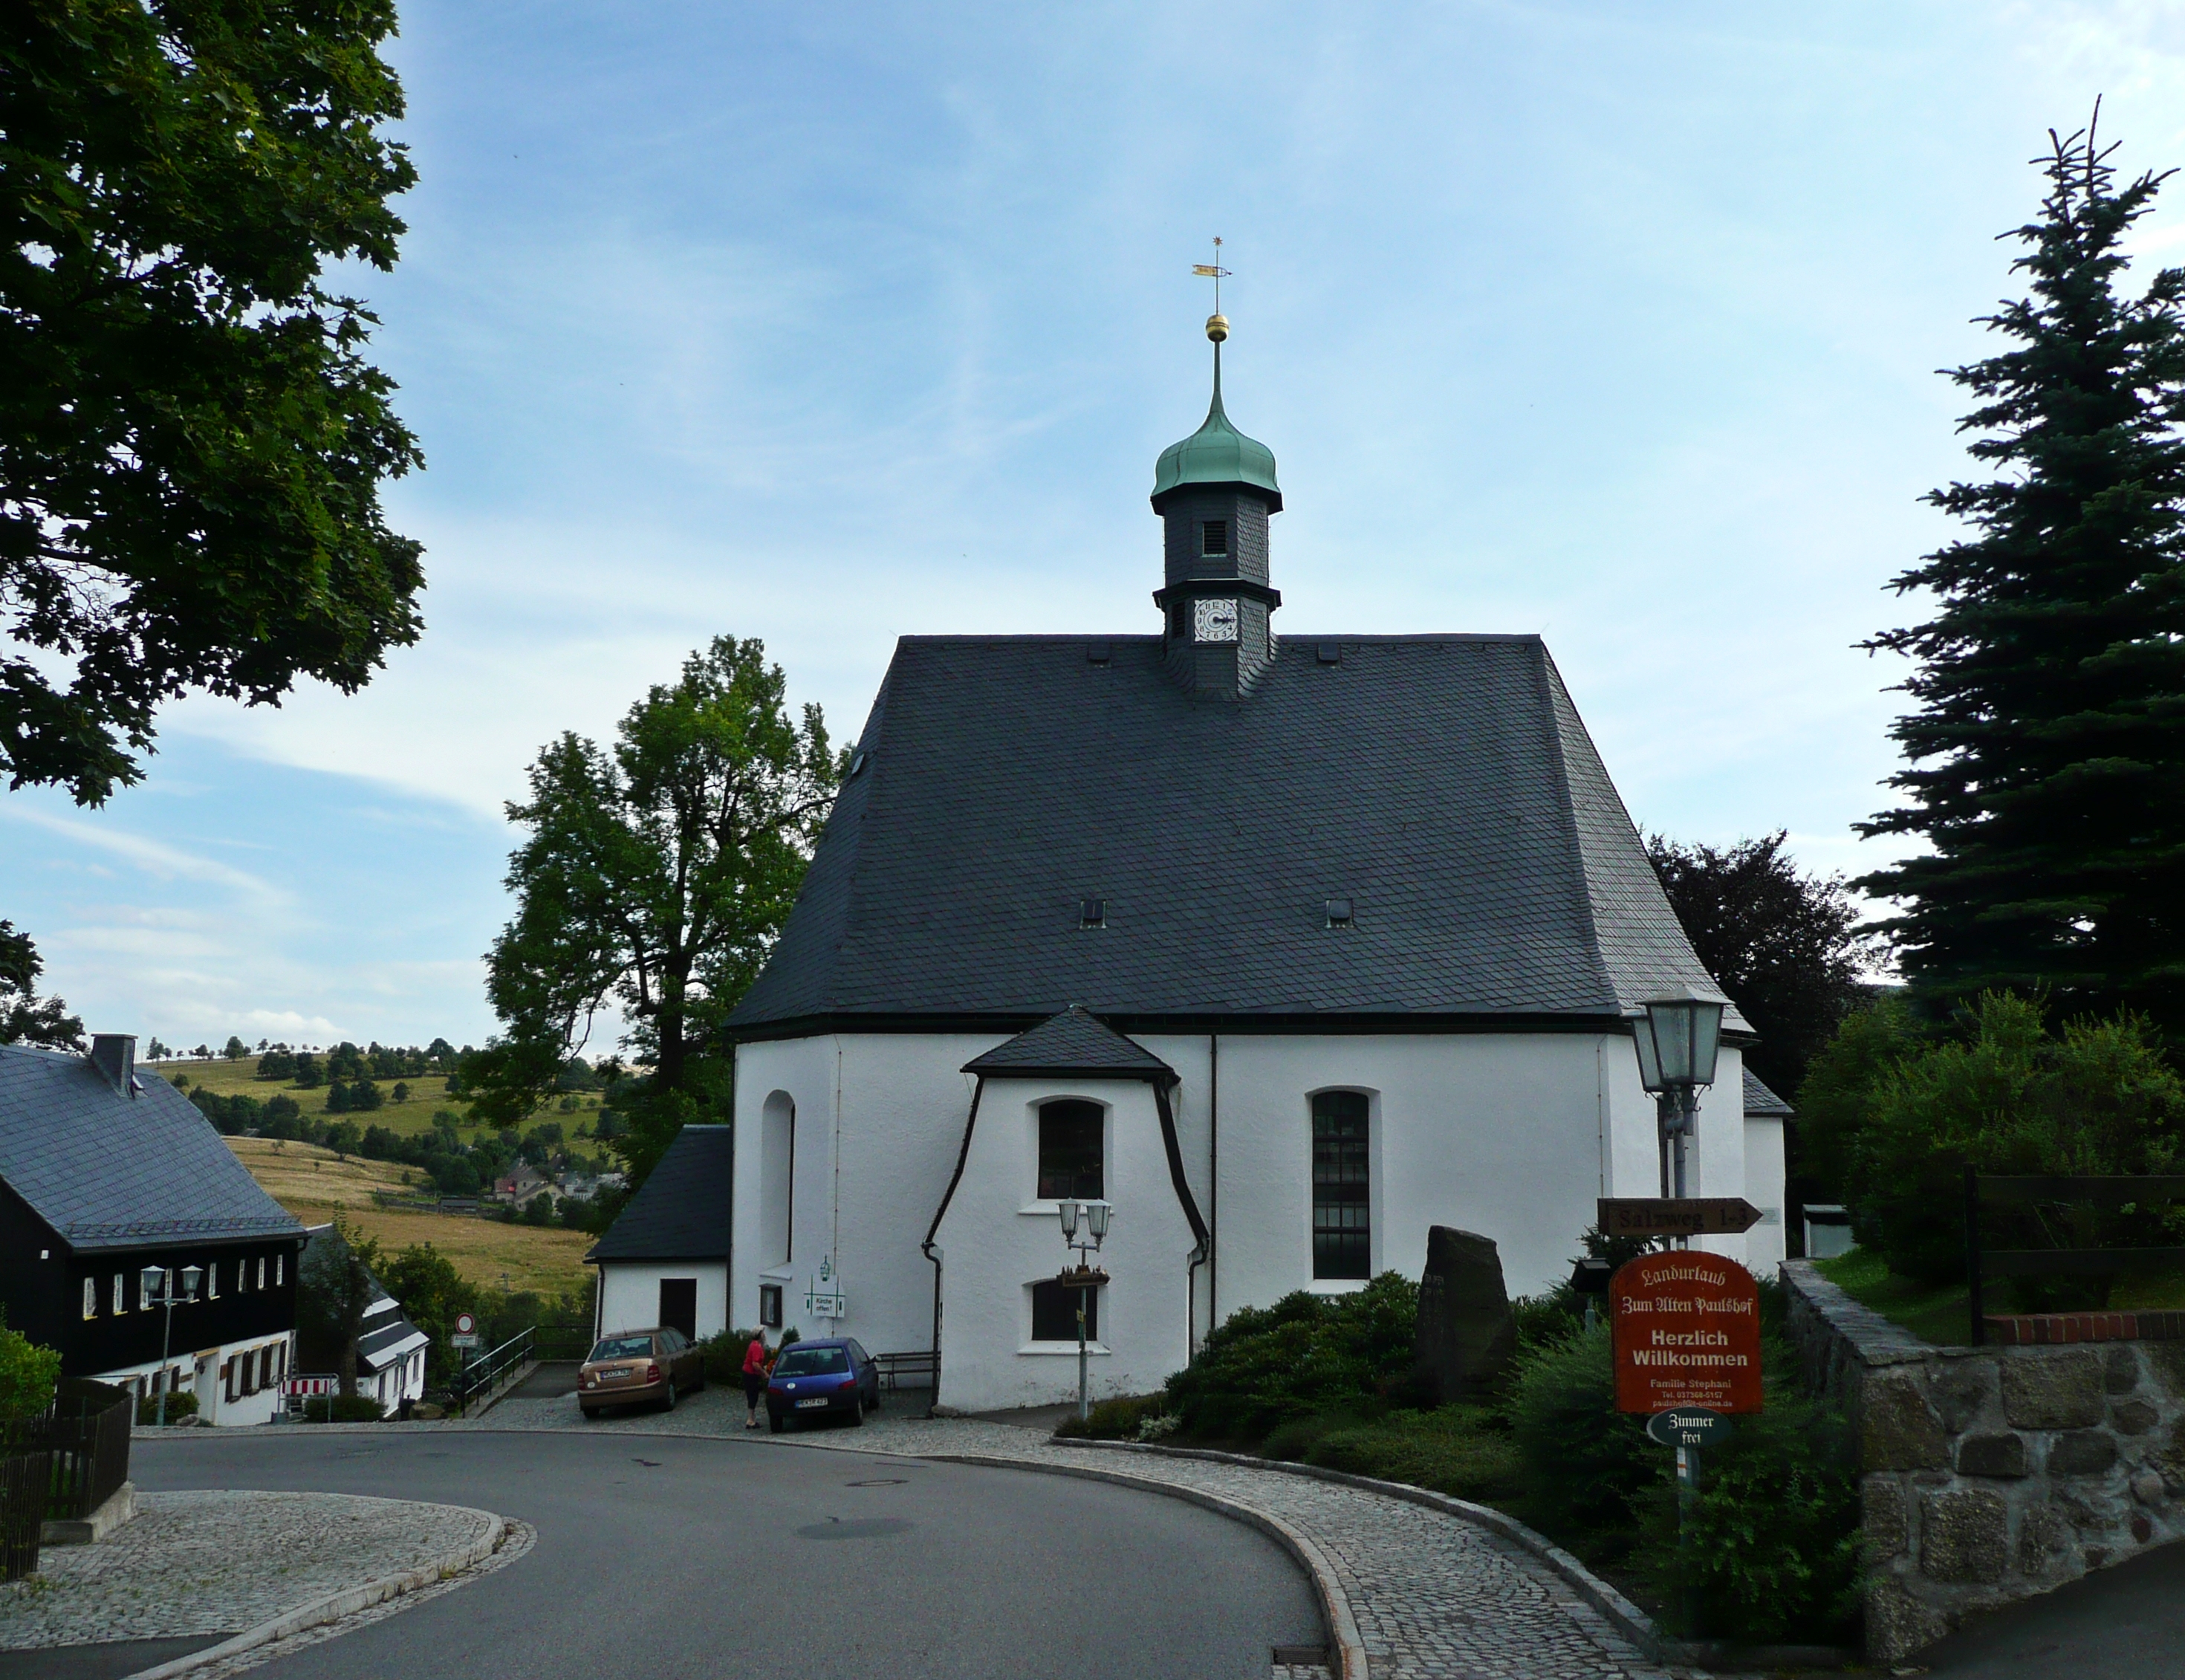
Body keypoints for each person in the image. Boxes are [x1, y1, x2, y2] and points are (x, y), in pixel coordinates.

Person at [741, 1331, 772, 1430]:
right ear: (759, 1335)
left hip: (750, 1373)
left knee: (753, 1395)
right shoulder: (756, 1347)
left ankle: (751, 1419)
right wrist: (764, 1374)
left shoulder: (754, 1345)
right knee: (753, 1395)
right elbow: (755, 1364)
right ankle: (750, 1420)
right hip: (751, 1374)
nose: (764, 1335)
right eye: (763, 1333)